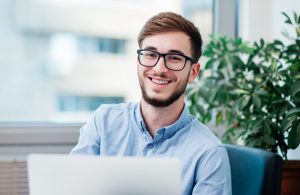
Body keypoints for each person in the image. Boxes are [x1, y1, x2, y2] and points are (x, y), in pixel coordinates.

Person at [70, 12, 232, 195]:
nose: (159, 69)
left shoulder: (209, 153)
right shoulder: (103, 122)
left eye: (174, 58)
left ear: (193, 72)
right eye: (150, 54)